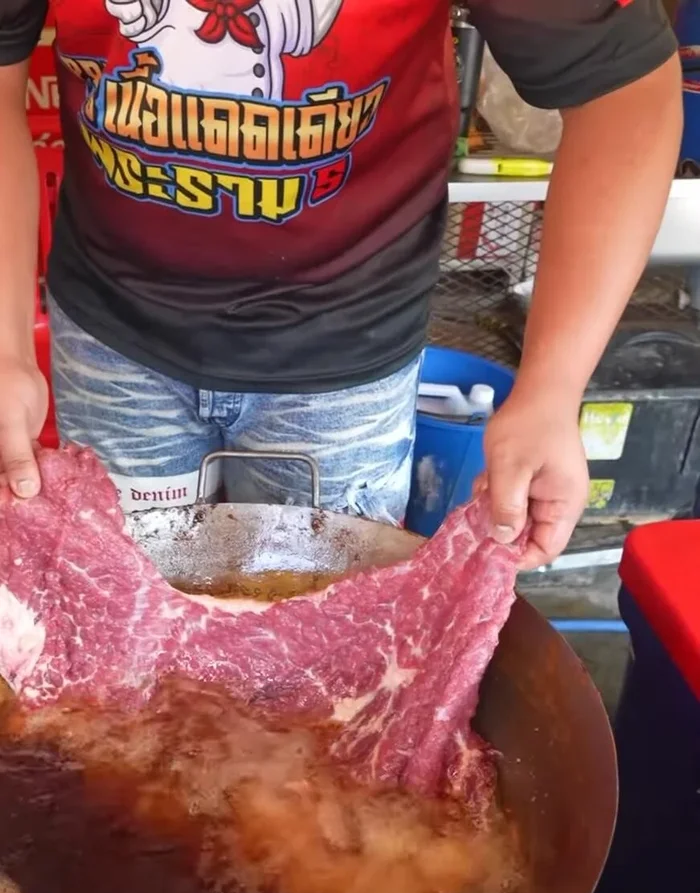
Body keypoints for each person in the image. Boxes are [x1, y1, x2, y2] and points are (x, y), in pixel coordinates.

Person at [0, 0, 682, 568]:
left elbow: (622, 91)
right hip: (114, 337)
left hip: (346, 356)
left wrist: (552, 390)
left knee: (317, 663)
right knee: (123, 624)